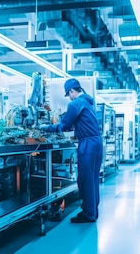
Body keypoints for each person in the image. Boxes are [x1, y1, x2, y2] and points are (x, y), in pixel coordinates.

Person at [39, 78, 103, 223]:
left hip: (87, 143)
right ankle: (93, 210)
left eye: (69, 94)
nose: (70, 97)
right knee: (93, 178)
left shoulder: (75, 103)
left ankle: (88, 214)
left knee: (85, 179)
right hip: (97, 142)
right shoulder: (88, 103)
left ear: (72, 91)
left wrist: (45, 128)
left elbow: (64, 125)